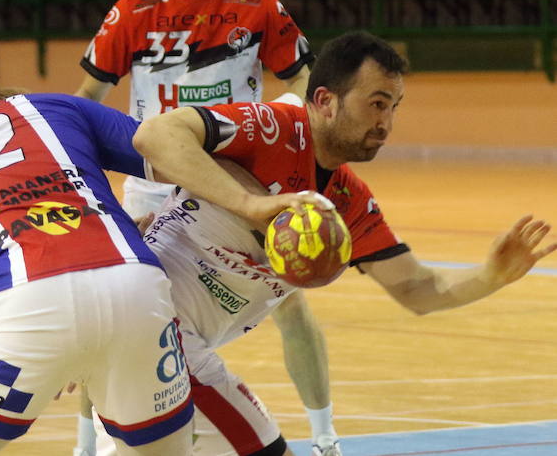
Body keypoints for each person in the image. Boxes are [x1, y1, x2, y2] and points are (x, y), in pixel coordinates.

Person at [118, 30, 556, 456]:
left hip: (155, 338)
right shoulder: (271, 127)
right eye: (376, 104)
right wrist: (251, 204)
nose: (386, 123)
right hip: (155, 325)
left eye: (394, 107)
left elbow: (417, 289)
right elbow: (154, 135)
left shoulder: (349, 201)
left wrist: (491, 276)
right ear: (326, 100)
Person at [0, 35, 263, 456]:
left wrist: (51, 343)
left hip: (24, 301)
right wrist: (256, 206)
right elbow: (169, 150)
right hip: (134, 281)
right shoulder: (59, 108)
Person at [74, 0, 314, 219]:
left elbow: (304, 80)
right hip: (153, 185)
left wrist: (273, 120)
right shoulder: (134, 10)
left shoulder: (258, 5)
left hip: (233, 179)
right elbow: (89, 94)